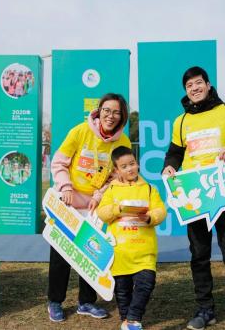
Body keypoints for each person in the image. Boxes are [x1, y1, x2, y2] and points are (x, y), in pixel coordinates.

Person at [162, 66, 225, 330]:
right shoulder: (181, 121)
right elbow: (174, 153)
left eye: (198, 83)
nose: (194, 89)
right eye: (188, 86)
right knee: (199, 255)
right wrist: (169, 166)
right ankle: (205, 310)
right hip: (195, 197)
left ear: (208, 84)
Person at [48, 93, 131, 322]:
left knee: (92, 253)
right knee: (61, 253)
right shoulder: (79, 131)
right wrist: (65, 187)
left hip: (95, 205)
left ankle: (86, 302)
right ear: (99, 111)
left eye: (116, 112)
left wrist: (100, 194)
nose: (110, 116)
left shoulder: (122, 142)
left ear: (121, 116)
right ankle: (55, 301)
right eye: (106, 110)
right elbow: (59, 162)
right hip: (68, 201)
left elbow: (118, 176)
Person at [97, 146, 166, 330]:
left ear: (138, 163)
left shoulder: (149, 189)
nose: (130, 169)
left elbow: (161, 210)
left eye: (133, 164)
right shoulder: (111, 190)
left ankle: (133, 318)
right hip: (120, 251)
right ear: (117, 170)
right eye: (124, 166)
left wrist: (150, 217)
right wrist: (117, 209)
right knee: (122, 290)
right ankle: (126, 319)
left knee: (146, 283)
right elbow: (102, 213)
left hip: (144, 251)